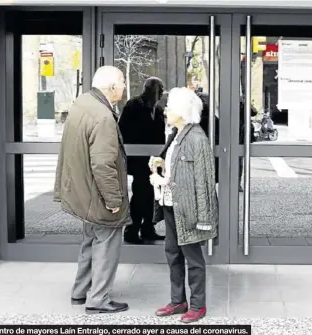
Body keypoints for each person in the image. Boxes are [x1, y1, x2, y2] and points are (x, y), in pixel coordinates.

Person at [54, 66, 130, 314]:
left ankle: (80, 291)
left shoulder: (82, 104)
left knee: (90, 241)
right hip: (98, 196)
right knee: (107, 245)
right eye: (121, 82)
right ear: (111, 88)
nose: (124, 87)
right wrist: (114, 200)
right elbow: (102, 164)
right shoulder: (104, 117)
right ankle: (98, 300)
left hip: (82, 194)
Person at [149, 87, 219, 323]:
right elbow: (178, 173)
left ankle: (198, 305)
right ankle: (178, 301)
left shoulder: (197, 139)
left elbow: (205, 181)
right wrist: (161, 164)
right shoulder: (176, 135)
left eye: (169, 106)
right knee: (172, 253)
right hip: (171, 205)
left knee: (193, 259)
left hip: (188, 209)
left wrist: (204, 218)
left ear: (182, 111)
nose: (165, 110)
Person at [118, 77, 166, 244]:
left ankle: (147, 228)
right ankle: (132, 230)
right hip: (137, 159)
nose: (160, 94)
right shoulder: (134, 105)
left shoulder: (158, 110)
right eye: (159, 90)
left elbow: (160, 135)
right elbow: (122, 129)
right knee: (140, 193)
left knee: (150, 194)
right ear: (150, 90)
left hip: (152, 159)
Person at [238, 97, 258, 191]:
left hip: (241, 134)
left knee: (239, 161)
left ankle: (236, 183)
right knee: (238, 161)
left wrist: (246, 103)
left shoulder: (243, 104)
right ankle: (235, 183)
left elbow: (254, 112)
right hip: (236, 134)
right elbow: (254, 112)